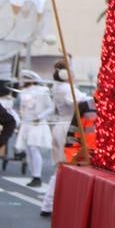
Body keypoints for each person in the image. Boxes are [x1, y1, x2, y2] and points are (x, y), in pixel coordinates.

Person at [42, 62, 90, 216]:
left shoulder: (58, 88)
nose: (74, 76)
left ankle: (50, 203)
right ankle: (49, 204)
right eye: (72, 73)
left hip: (60, 127)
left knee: (62, 167)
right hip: (68, 128)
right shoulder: (66, 89)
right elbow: (81, 101)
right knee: (66, 166)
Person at [14, 71, 54, 189]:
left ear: (32, 79)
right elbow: (22, 108)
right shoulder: (23, 92)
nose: (23, 81)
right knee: (28, 150)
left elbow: (51, 107)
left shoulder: (42, 91)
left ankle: (37, 176)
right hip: (26, 124)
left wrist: (40, 117)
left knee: (34, 148)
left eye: (26, 78)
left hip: (37, 124)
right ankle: (34, 175)